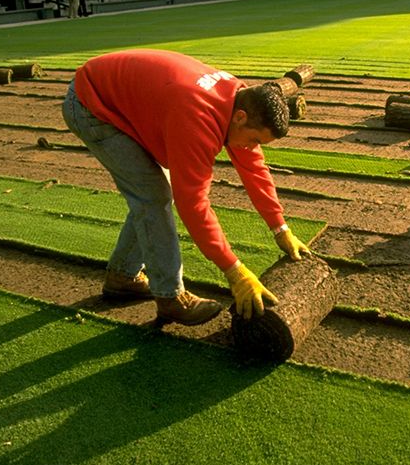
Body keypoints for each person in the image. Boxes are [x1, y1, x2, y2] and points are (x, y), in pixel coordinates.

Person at [62, 49, 311, 326]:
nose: (251, 147)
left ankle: (123, 276)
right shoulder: (198, 120)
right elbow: (193, 205)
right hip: (92, 105)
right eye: (253, 139)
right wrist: (235, 271)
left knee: (153, 193)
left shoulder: (238, 98)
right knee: (153, 196)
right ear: (240, 118)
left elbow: (253, 168)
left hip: (123, 93)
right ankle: (170, 298)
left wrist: (280, 228)